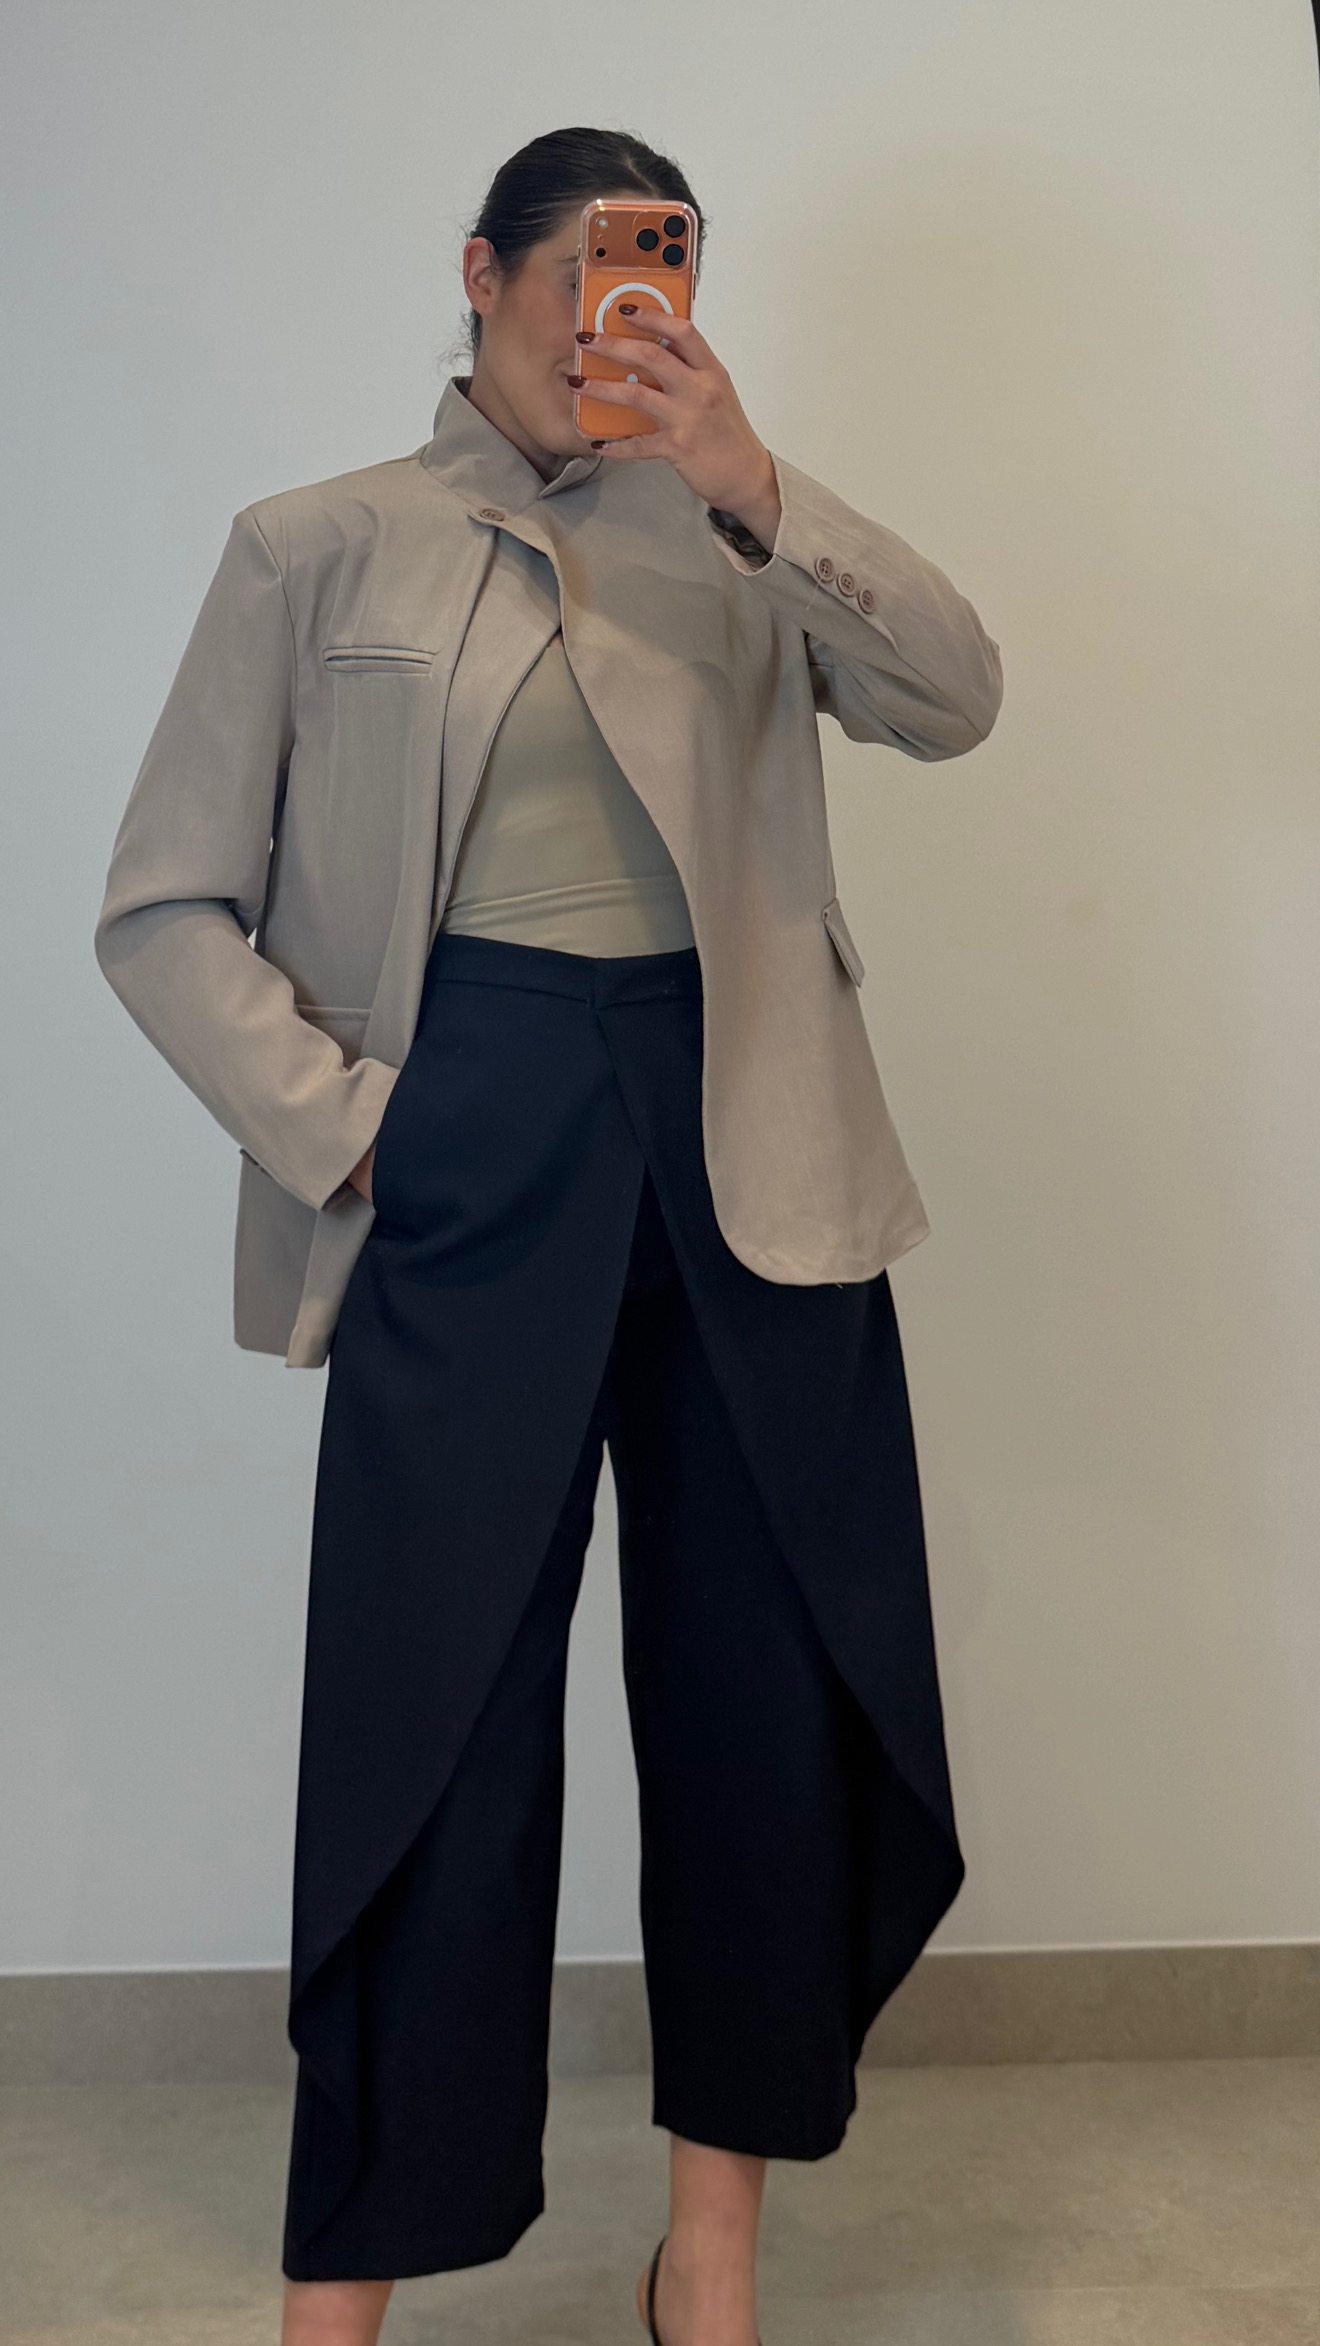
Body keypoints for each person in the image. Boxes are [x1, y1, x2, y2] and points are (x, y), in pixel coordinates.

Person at [94, 124, 1003, 2346]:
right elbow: (164, 905)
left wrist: (756, 481)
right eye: (589, 265)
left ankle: (710, 2265)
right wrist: (349, 1136)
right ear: (485, 270)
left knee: (760, 1707)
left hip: (748, 1152)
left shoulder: (736, 525)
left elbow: (957, 696)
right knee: (428, 1726)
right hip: (465, 1150)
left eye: (662, 269)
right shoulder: (317, 544)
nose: (625, 310)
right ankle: (341, 2299)